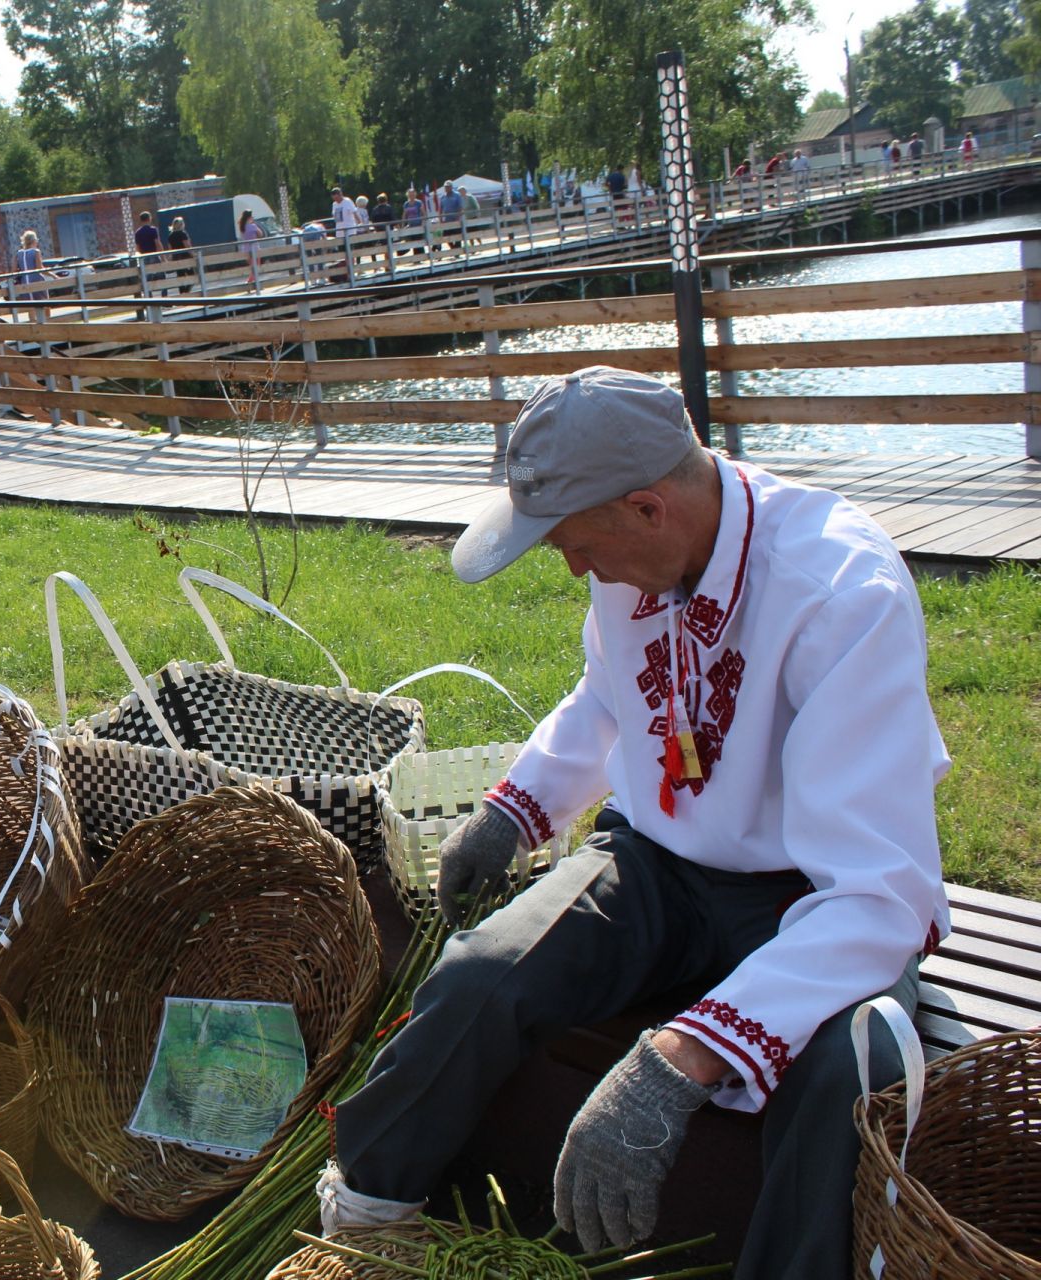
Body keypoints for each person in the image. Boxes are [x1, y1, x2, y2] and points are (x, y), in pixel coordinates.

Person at [318, 367, 947, 1280]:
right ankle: (370, 1221)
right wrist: (513, 811)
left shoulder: (843, 593)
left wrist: (676, 1061)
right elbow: (608, 698)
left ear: (649, 509)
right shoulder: (641, 555)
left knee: (839, 1089)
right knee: (483, 975)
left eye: (575, 544)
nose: (573, 567)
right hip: (660, 863)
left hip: (817, 904)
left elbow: (878, 893)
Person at [14, 228, 48, 300]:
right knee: (45, 304)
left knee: (31, 307)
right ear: (34, 240)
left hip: (25, 283)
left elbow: (14, 270)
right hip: (37, 281)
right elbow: (40, 268)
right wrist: (53, 275)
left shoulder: (18, 253)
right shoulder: (36, 251)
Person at [238, 207, 265, 287]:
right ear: (249, 217)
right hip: (255, 248)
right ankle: (252, 283)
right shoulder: (253, 226)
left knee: (253, 267)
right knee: (256, 266)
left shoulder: (242, 227)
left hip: (246, 249)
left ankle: (252, 282)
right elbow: (261, 234)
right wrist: (255, 226)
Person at [166, 216, 192, 294]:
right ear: (181, 224)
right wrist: (193, 254)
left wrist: (170, 258)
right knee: (192, 276)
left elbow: (170, 249)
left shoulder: (170, 235)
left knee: (180, 277)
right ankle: (186, 292)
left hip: (176, 258)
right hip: (185, 257)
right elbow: (187, 246)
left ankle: (182, 296)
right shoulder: (183, 234)